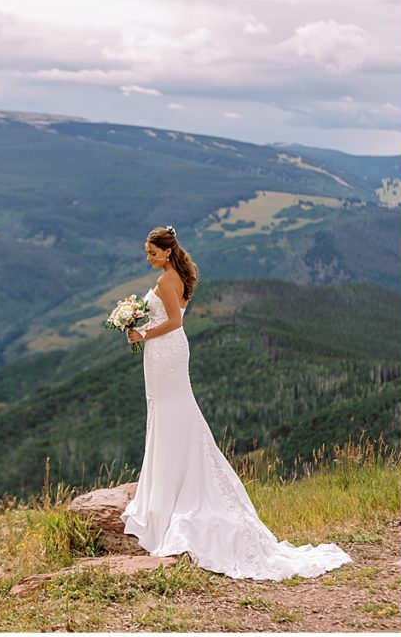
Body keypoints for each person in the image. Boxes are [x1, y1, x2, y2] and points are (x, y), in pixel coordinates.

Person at [120, 225, 352, 580]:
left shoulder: (168, 280)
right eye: (147, 252)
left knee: (172, 412)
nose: (147, 258)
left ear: (166, 252)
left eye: (152, 252)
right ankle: (172, 481)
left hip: (166, 351)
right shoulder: (174, 274)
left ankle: (173, 491)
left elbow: (175, 321)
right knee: (169, 412)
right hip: (164, 355)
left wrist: (142, 332)